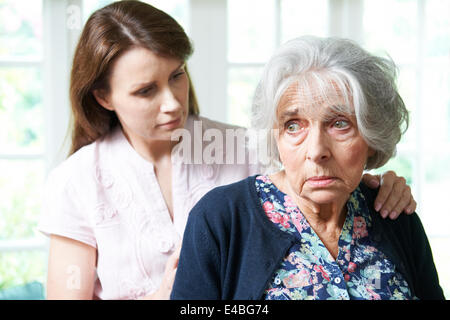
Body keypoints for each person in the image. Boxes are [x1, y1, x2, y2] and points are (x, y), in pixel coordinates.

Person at [39, 1, 417, 300]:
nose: (172, 102)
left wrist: (376, 183)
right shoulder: (76, 182)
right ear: (103, 96)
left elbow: (315, 175)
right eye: (145, 90)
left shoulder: (245, 147)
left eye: (177, 75)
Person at [170, 36, 445, 300]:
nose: (316, 151)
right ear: (275, 137)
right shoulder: (220, 217)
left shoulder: (394, 215)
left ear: (371, 137)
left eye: (339, 124)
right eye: (293, 126)